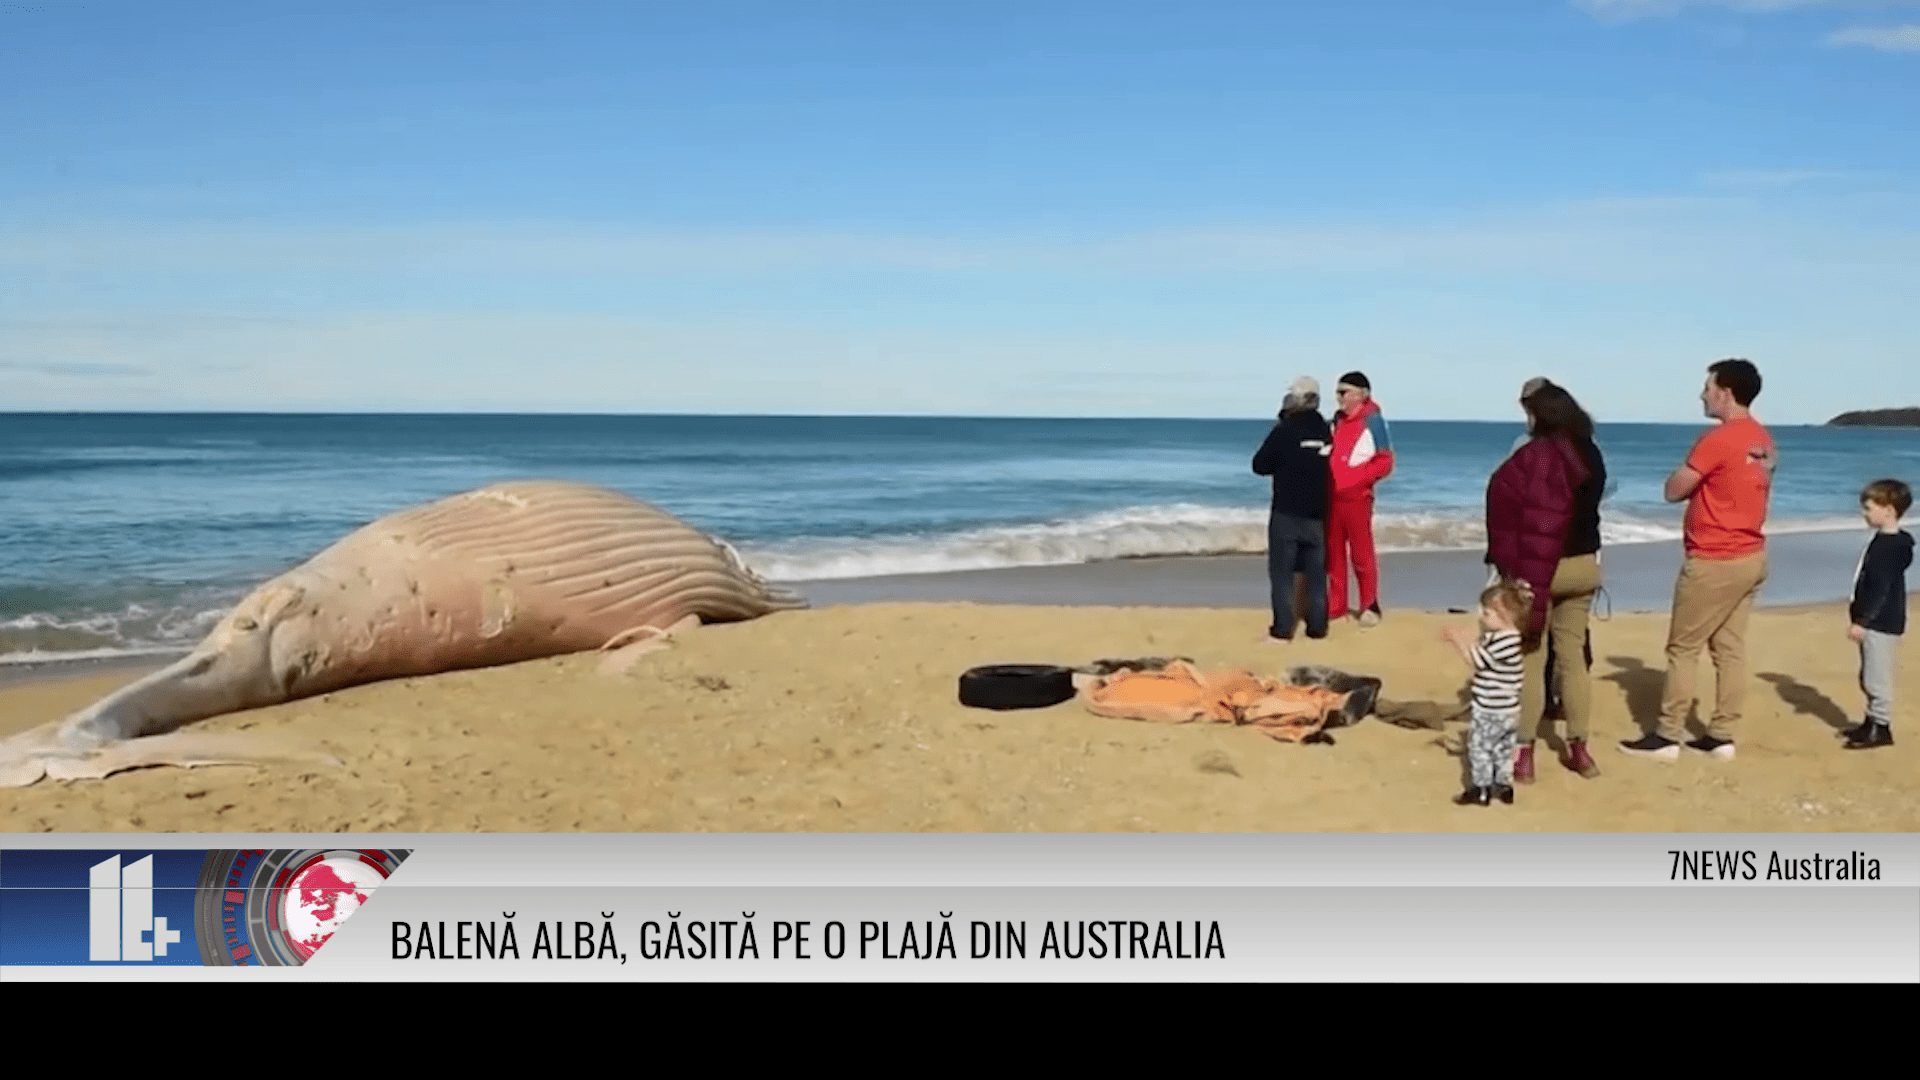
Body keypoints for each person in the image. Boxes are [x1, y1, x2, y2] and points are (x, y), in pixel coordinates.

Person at [1621, 358, 1775, 762]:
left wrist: (1682, 480)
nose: (1702, 394)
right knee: (1729, 648)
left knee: (1683, 647)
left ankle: (1668, 733)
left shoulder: (1721, 439)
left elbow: (1675, 489)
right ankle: (1721, 733)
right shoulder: (1761, 439)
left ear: (1725, 392)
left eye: (1707, 386)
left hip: (1716, 557)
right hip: (1750, 553)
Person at [1484, 382, 1607, 782]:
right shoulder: (1591, 452)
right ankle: (1580, 749)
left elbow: (1511, 507)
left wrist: (1507, 563)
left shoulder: (1534, 457)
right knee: (1573, 660)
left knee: (1532, 658)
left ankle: (1524, 755)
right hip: (1585, 564)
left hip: (1543, 569)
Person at [1251, 376, 1334, 642]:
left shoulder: (1285, 429)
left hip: (1287, 511)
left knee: (1283, 573)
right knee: (1315, 573)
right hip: (1317, 512)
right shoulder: (1324, 429)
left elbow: (1260, 464)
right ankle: (1317, 626)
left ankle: (1282, 630)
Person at [1442, 578, 1533, 807]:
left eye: (1488, 613)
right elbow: (1483, 651)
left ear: (1505, 615)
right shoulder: (1510, 639)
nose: (1482, 617)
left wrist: (1457, 641)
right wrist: (1466, 638)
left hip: (1491, 709)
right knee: (1503, 749)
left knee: (1480, 749)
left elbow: (1477, 660)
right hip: (1510, 711)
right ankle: (1503, 786)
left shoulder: (1505, 641)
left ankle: (1480, 789)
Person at [1845, 478, 1912, 750]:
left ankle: (1881, 727)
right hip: (1878, 619)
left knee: (1876, 676)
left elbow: (1881, 589)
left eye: (1869, 507)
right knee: (1868, 673)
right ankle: (1870, 721)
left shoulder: (1890, 547)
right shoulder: (1889, 541)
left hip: (1881, 622)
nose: (1864, 512)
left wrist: (1863, 621)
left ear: (1889, 510)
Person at [1328, 371, 1394, 627]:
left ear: (1361, 394)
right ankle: (1337, 605)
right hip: (1331, 496)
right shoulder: (1337, 420)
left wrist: (1358, 478)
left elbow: (1386, 460)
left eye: (1344, 392)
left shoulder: (1373, 421)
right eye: (1337, 393)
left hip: (1357, 497)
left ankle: (1369, 604)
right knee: (1333, 554)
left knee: (1361, 552)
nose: (1339, 398)